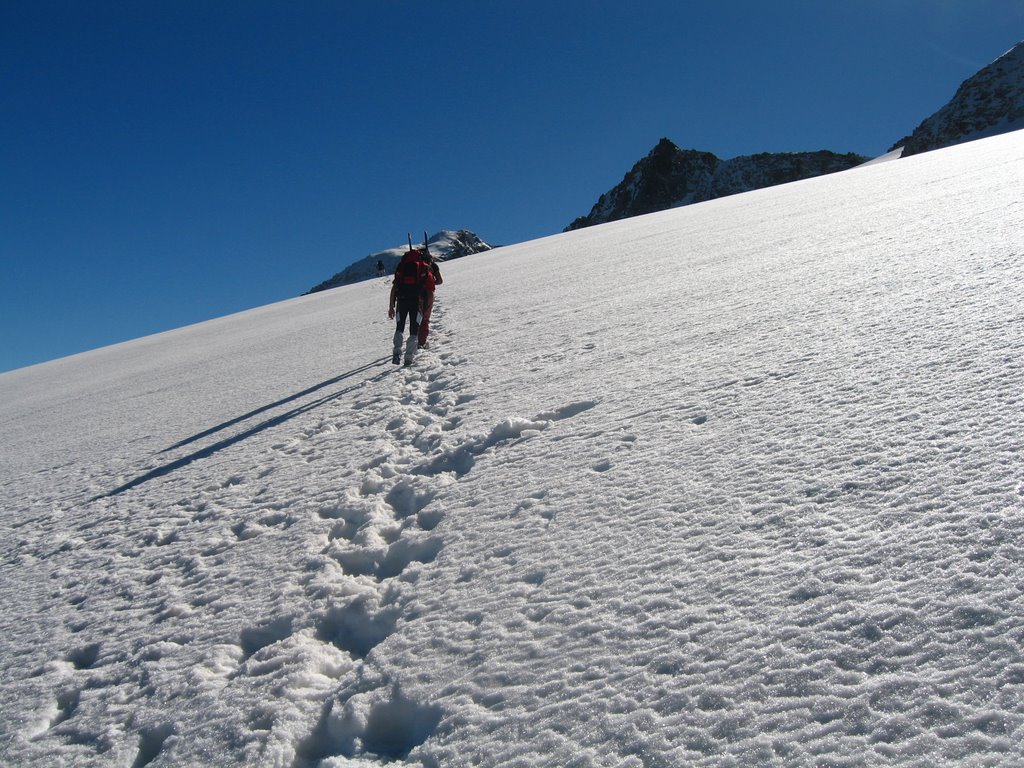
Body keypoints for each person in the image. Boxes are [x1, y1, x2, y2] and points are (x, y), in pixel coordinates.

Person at [388, 248, 434, 366]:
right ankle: (408, 357)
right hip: (417, 301)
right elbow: (431, 288)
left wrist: (391, 306)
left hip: (402, 300)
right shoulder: (423, 266)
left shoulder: (402, 266)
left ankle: (397, 351)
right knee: (414, 329)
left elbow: (394, 287)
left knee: (400, 326)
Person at [417, 251, 443, 349]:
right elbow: (440, 281)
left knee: (416, 317)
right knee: (425, 318)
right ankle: (421, 341)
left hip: (415, 294)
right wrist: (431, 282)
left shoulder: (416, 265)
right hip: (428, 293)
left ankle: (414, 338)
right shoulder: (432, 265)